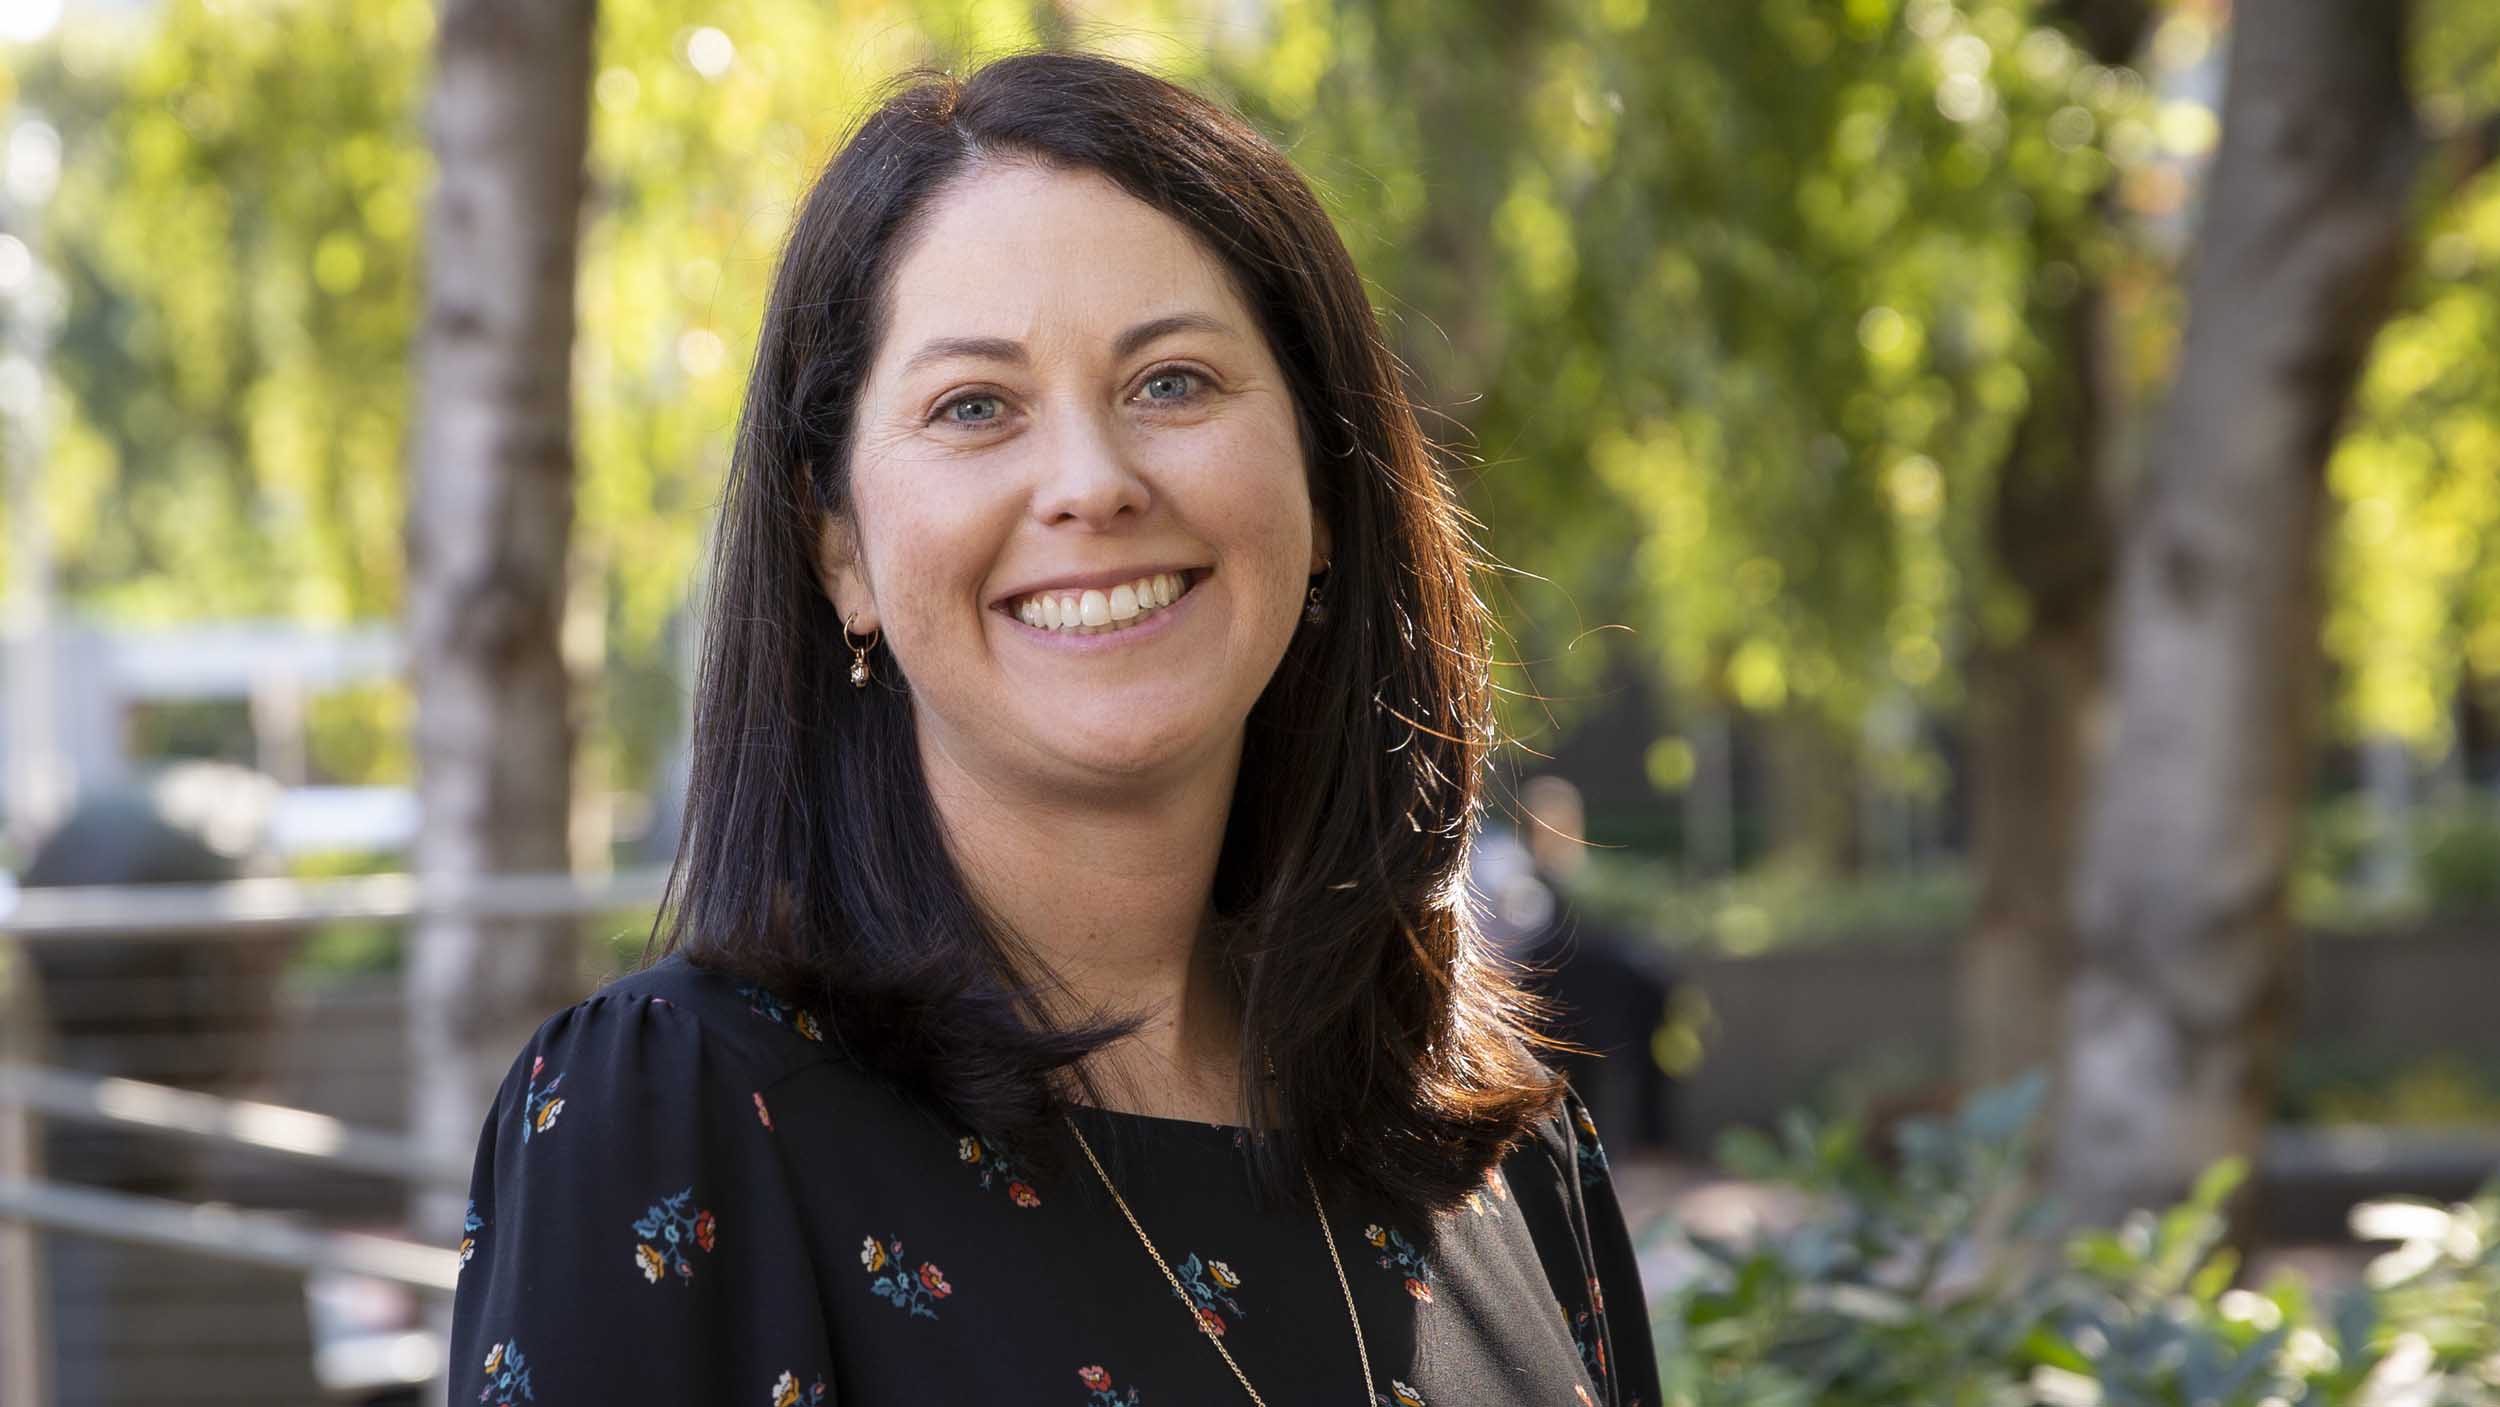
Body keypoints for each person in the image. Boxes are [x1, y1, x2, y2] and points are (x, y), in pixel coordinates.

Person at [449, 51, 1660, 1407]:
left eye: (1174, 383)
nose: (1091, 483)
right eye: (975, 407)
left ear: (1325, 488)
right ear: (837, 547)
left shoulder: (1509, 1158)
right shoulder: (682, 1124)